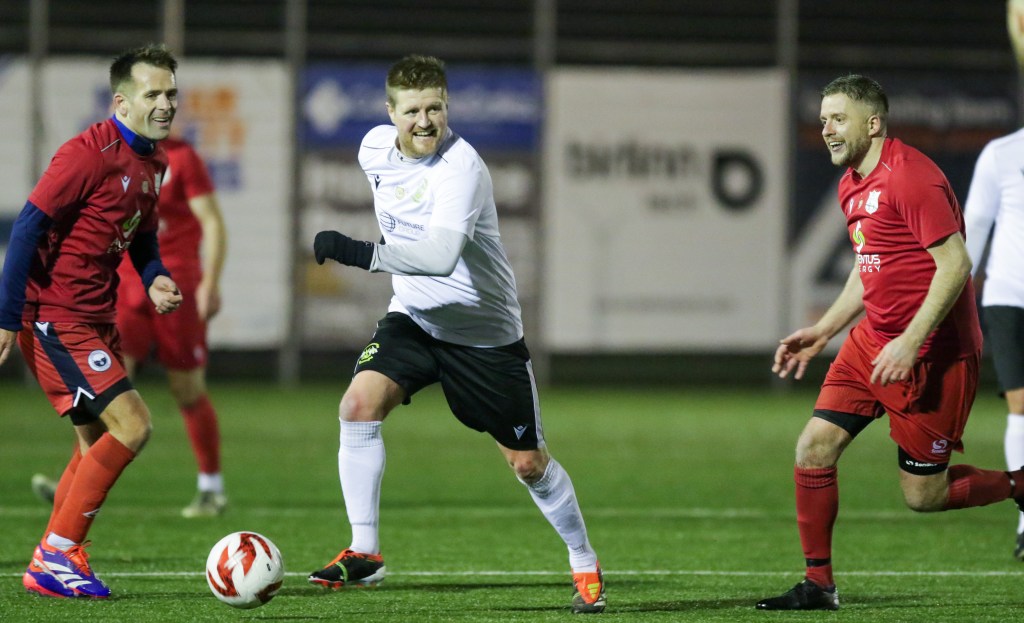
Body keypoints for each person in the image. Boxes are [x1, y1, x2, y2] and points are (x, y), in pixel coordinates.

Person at [307, 54, 606, 614]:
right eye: (412, 111)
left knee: (527, 464)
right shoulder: (373, 149)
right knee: (357, 406)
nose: (425, 122)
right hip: (415, 319)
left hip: (483, 336)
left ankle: (583, 560)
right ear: (390, 112)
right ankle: (365, 550)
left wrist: (359, 252)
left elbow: (441, 256)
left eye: (435, 108)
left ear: (447, 107)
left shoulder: (462, 168)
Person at [757, 74, 1024, 611]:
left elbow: (956, 265)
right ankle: (819, 585)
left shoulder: (910, 178)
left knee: (924, 496)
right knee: (813, 447)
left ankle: (1020, 485)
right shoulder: (852, 182)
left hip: (934, 357)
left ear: (873, 123)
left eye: (838, 119)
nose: (826, 129)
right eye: (823, 120)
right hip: (871, 344)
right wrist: (825, 330)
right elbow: (869, 264)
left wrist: (910, 342)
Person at [0, 43, 182, 599]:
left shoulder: (155, 161)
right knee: (134, 425)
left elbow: (141, 236)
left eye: (171, 93)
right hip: (55, 316)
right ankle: (57, 554)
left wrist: (154, 276)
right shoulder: (87, 154)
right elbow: (27, 228)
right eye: (152, 94)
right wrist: (6, 317)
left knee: (94, 441)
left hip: (94, 313)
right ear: (121, 102)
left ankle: (53, 555)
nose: (166, 104)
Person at [31, 137, 229, 518]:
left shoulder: (182, 158)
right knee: (104, 390)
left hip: (177, 281)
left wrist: (211, 282)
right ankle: (81, 478)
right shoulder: (110, 157)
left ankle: (211, 487)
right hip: (125, 284)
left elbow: (212, 221)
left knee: (187, 389)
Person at [963, 127, 1024, 559]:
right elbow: (974, 229)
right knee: (1021, 405)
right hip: (1010, 297)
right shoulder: (1001, 154)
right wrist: (950, 301)